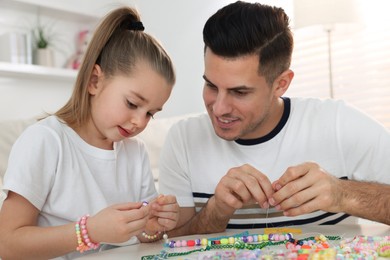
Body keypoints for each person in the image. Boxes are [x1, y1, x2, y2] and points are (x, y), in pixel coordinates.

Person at [158, 0, 390, 237]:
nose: (218, 108)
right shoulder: (183, 140)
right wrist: (216, 211)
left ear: (281, 84)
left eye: (240, 92)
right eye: (211, 85)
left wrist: (344, 194)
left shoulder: (339, 124)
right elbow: (172, 241)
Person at [0, 6, 179, 260]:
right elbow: (6, 244)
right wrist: (90, 231)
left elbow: (144, 236)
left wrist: (151, 226)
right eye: (132, 103)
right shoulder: (46, 141)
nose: (140, 122)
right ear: (95, 81)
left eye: (151, 113)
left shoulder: (135, 151)